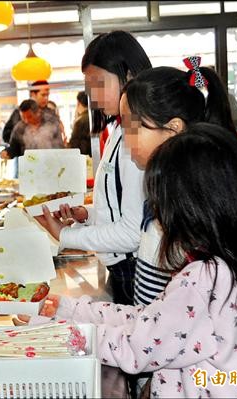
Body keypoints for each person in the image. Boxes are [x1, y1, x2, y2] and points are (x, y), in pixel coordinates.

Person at [30, 124, 237, 399]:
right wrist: (68, 309)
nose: (156, 211)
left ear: (187, 206)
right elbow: (150, 319)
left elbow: (135, 347)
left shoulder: (202, 278)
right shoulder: (234, 261)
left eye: (158, 200)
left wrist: (59, 331)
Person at [36, 30, 151, 306]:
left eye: (99, 83)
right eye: (90, 86)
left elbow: (132, 232)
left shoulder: (137, 135)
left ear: (129, 75)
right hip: (122, 269)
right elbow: (123, 206)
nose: (94, 96)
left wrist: (65, 235)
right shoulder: (120, 130)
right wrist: (87, 214)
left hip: (134, 271)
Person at [121, 59, 237, 307]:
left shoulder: (192, 208)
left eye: (132, 126)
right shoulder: (166, 192)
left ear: (173, 128)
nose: (125, 140)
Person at [0, 99, 64, 159]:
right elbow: (14, 148)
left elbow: (59, 145)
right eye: (23, 117)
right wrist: (7, 152)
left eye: (29, 117)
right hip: (28, 164)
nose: (26, 121)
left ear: (38, 112)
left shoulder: (51, 122)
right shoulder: (20, 127)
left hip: (50, 161)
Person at [2, 80, 52, 144]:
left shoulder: (49, 113)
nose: (46, 98)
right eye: (43, 95)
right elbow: (6, 136)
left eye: (47, 95)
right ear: (33, 94)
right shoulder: (20, 112)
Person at [68, 91, 91, 155]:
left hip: (82, 156)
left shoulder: (80, 121)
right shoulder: (93, 117)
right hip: (91, 155)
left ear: (78, 103)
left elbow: (74, 144)